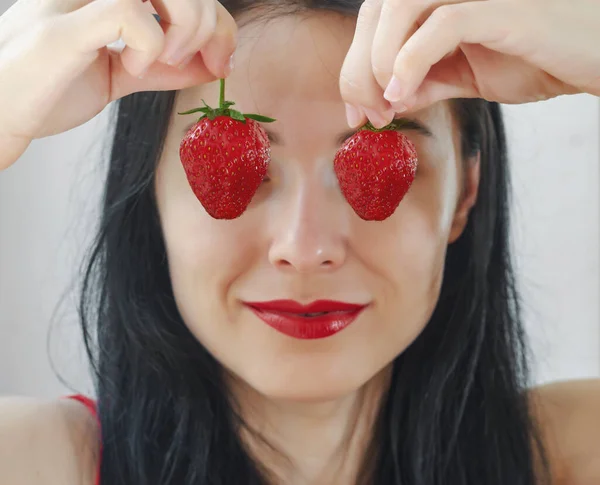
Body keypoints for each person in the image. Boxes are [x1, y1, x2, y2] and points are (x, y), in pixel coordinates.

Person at [0, 0, 599, 483]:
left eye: (382, 171)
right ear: (149, 194)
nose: (305, 247)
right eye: (246, 178)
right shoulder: (37, 463)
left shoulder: (575, 451)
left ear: (466, 193)